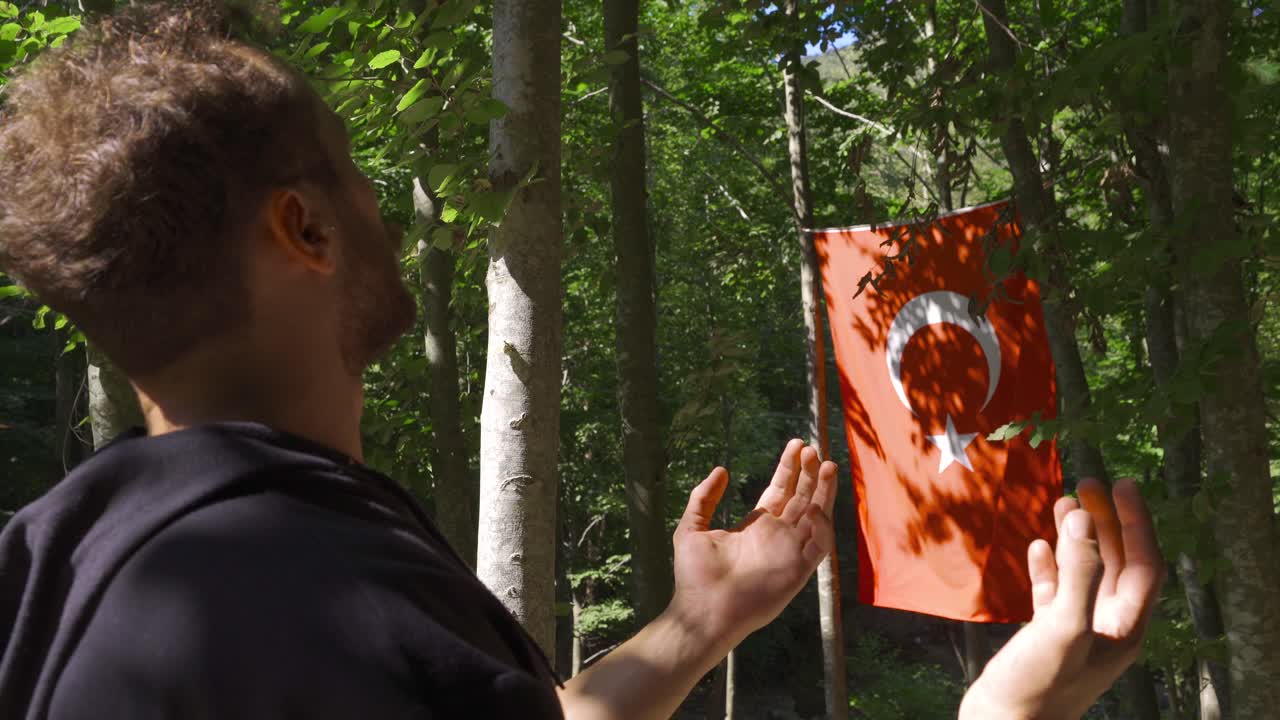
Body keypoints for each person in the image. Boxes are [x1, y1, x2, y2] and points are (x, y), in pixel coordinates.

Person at [0, 3, 1164, 719]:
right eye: (351, 173)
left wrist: (699, 622)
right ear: (302, 228)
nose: (379, 209)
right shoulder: (316, 610)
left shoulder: (66, 568)